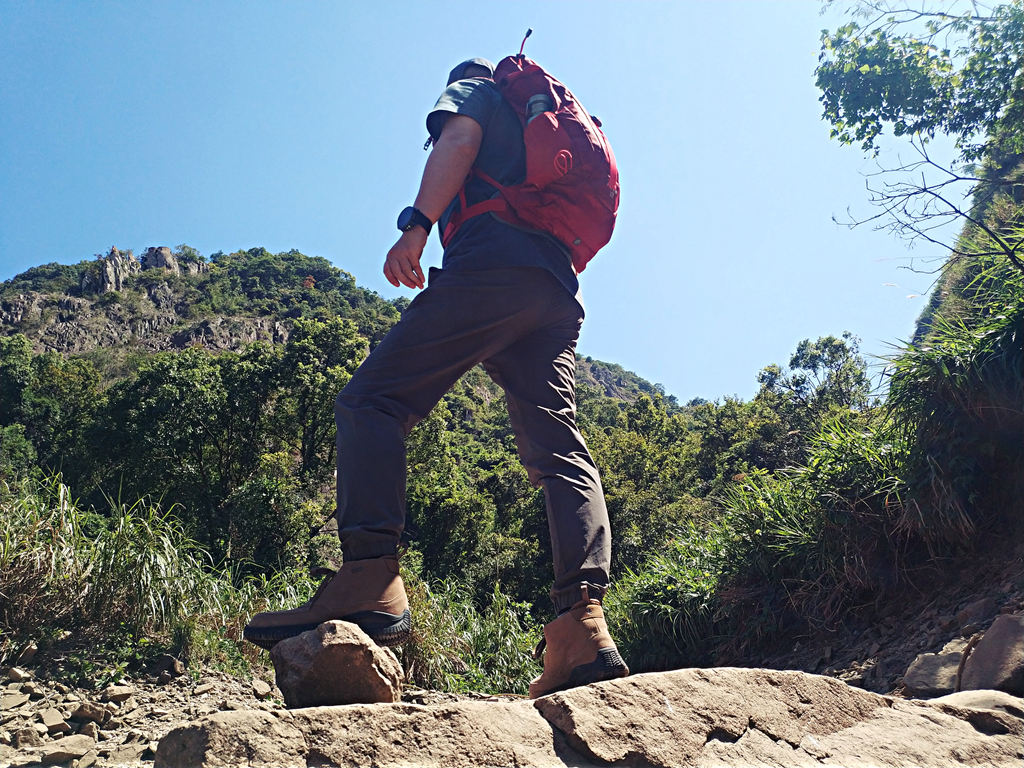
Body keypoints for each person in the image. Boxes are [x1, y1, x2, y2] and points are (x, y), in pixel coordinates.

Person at [244, 57, 628, 697]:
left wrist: (415, 227)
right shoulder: (549, 117)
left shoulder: (478, 91)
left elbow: (459, 139)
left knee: (372, 401)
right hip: (555, 288)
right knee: (560, 451)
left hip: (494, 264)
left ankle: (369, 574)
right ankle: (582, 622)